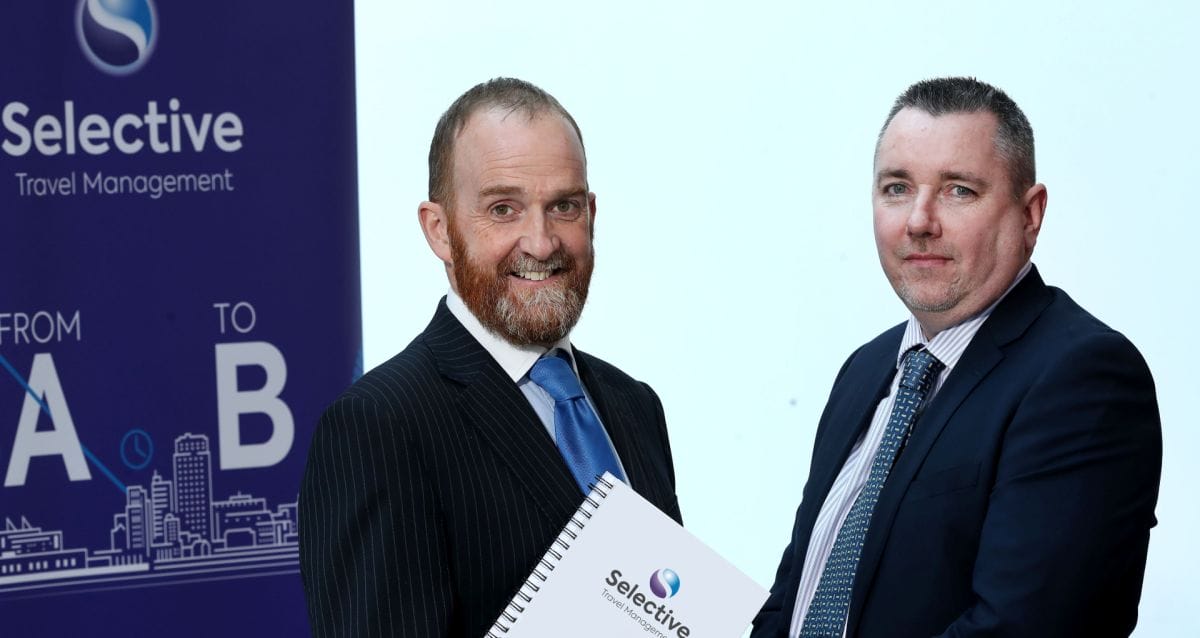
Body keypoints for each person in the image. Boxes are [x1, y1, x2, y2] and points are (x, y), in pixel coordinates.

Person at [752, 77, 1161, 638]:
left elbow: (1023, 627)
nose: (919, 221)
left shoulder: (1082, 378)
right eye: (897, 188)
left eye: (958, 191)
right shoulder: (865, 370)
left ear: (1030, 214)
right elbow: (793, 598)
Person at [298, 78, 682, 637]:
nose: (541, 242)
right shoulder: (379, 426)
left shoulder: (635, 406)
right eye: (503, 209)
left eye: (564, 206)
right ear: (439, 230)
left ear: (591, 214)